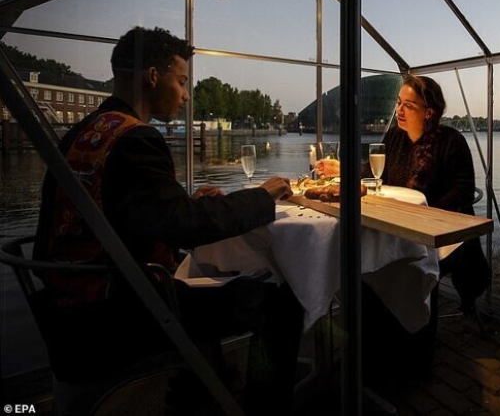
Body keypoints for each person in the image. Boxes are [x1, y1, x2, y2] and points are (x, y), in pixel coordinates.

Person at [34, 26, 303, 414]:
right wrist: (262, 197)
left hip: (68, 313)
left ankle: (202, 389)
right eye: (181, 81)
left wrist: (182, 203)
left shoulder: (85, 130)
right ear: (153, 77)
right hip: (119, 317)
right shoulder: (135, 138)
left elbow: (129, 212)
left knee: (224, 286)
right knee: (281, 298)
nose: (186, 94)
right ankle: (265, 407)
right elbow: (184, 227)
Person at [317, 75, 491, 379]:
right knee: (370, 261)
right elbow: (372, 173)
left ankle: (413, 353)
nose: (399, 110)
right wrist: (340, 169)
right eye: (398, 103)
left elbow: (464, 191)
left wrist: (426, 216)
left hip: (440, 235)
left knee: (407, 264)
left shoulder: (451, 141)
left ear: (429, 112)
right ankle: (381, 346)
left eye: (408, 105)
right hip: (397, 226)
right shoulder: (394, 139)